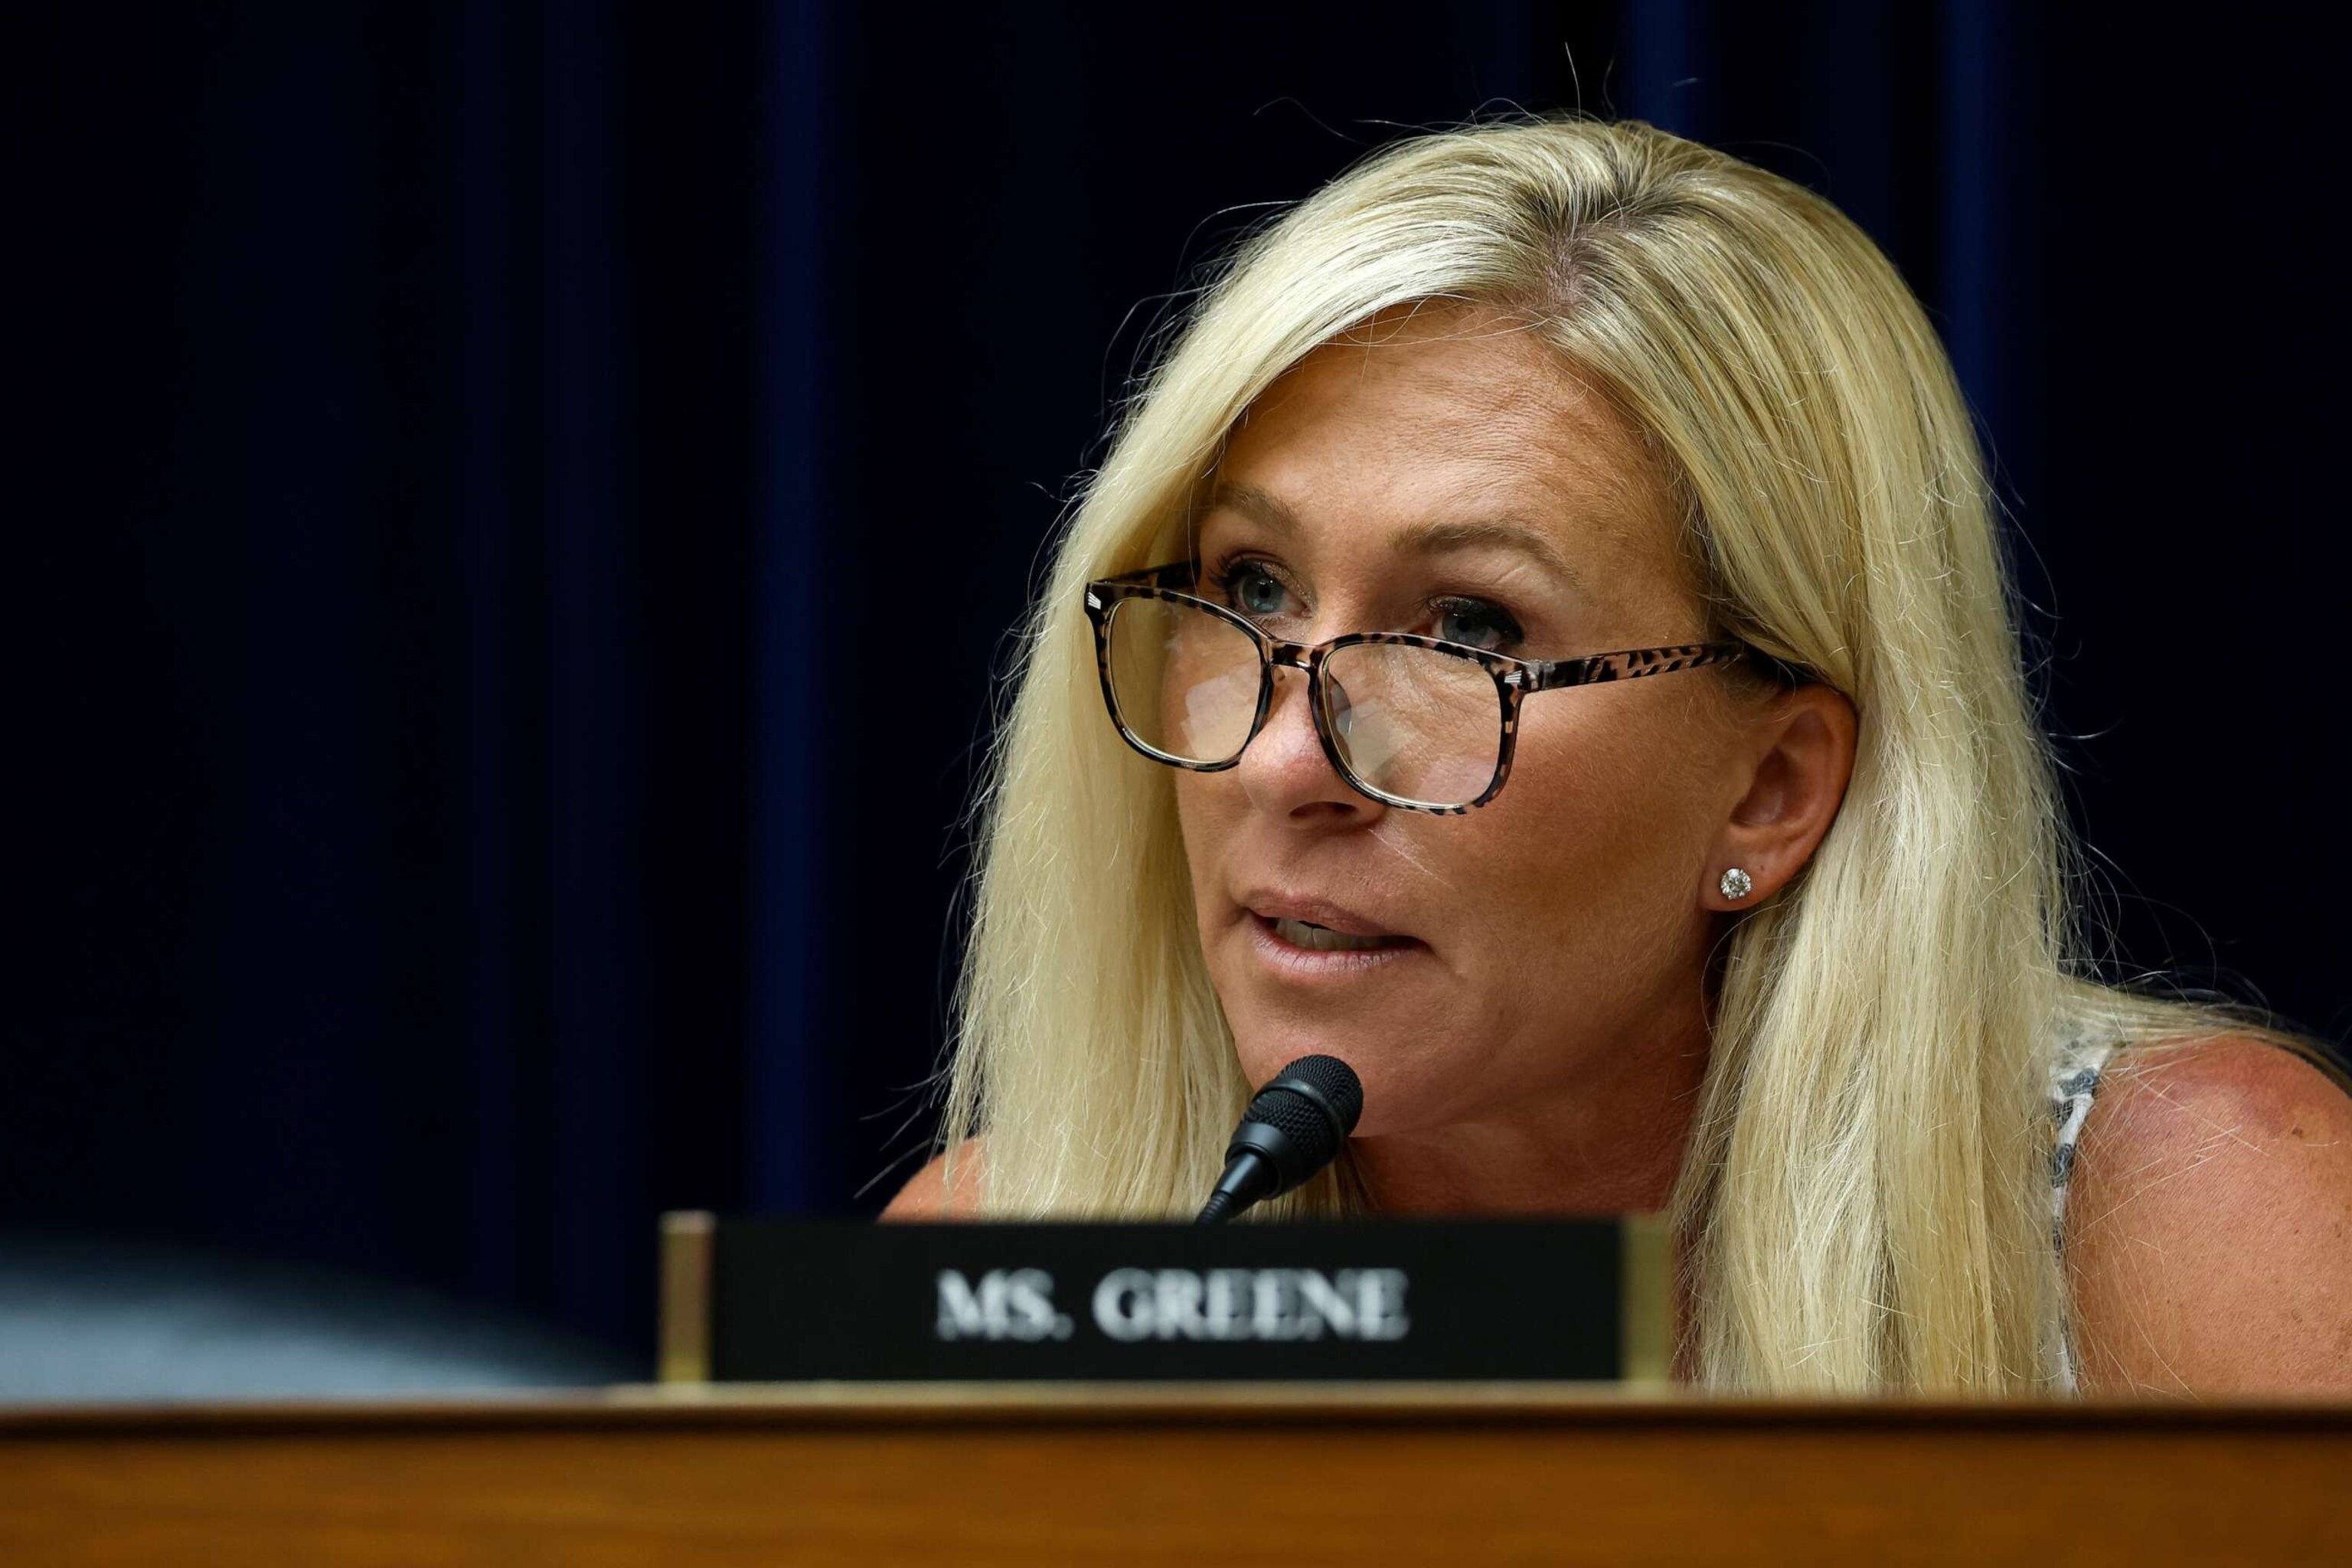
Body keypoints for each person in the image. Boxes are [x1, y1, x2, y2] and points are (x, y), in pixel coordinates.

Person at [882, 117, 2352, 1397]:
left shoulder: (2203, 1229)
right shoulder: (1014, 1270)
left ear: (1772, 789)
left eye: (1466, 626)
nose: (1278, 764)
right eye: (1253, 587)